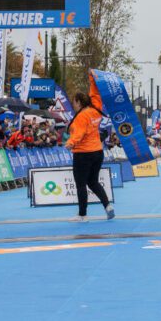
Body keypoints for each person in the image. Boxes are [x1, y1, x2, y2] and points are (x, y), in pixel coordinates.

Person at [65, 86, 114, 222]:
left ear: (79, 102)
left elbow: (79, 133)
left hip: (83, 153)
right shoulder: (95, 111)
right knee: (93, 182)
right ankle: (108, 206)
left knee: (81, 184)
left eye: (74, 102)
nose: (73, 105)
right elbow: (96, 96)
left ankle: (82, 215)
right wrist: (93, 78)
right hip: (97, 152)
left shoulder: (81, 116)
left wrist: (70, 142)